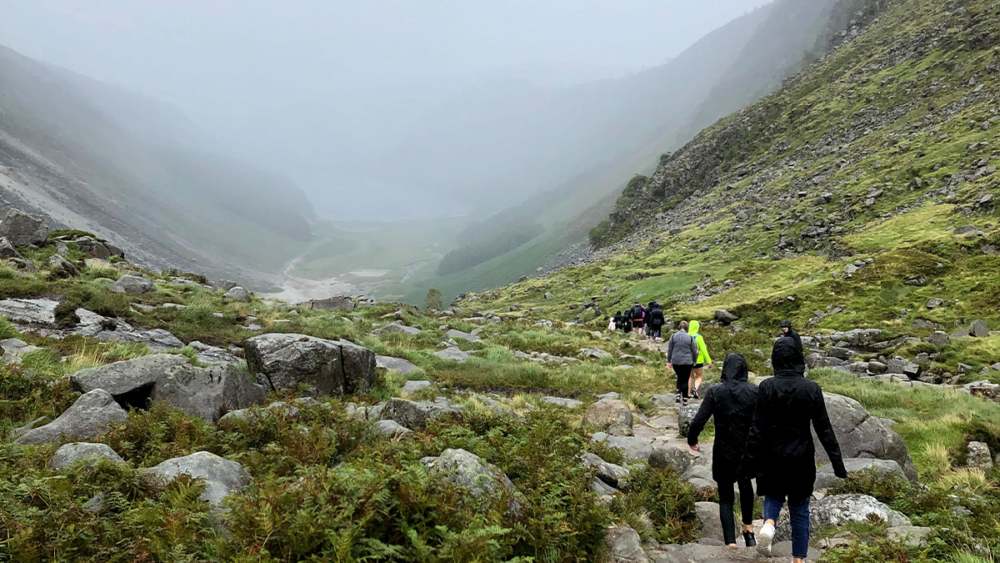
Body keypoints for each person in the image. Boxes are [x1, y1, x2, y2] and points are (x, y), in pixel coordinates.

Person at [739, 337, 847, 562]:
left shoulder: (767, 387)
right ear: (800, 358)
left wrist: (747, 465)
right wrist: (838, 465)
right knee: (800, 510)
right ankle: (798, 559)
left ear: (775, 359)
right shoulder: (811, 389)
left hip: (772, 456)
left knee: (773, 497)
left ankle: (769, 524)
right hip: (801, 457)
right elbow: (824, 429)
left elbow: (756, 430)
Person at [688, 354, 758, 548]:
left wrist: (692, 439)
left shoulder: (715, 391)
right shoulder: (754, 391)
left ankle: (730, 544)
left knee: (726, 498)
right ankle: (749, 530)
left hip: (723, 450)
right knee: (746, 488)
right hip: (746, 451)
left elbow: (699, 419)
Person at [666, 321, 699, 406]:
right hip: (687, 362)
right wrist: (695, 360)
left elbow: (670, 350)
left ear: (679, 327)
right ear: (687, 328)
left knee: (679, 376)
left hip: (676, 361)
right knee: (685, 380)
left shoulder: (673, 336)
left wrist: (668, 361)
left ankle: (678, 394)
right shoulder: (690, 338)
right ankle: (685, 400)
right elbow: (694, 351)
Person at [688, 320, 713, 399]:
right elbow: (703, 350)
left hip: (687, 360)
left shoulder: (685, 336)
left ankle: (688, 393)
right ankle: (695, 388)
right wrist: (709, 361)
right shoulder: (699, 337)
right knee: (699, 376)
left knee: (690, 376)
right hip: (698, 360)